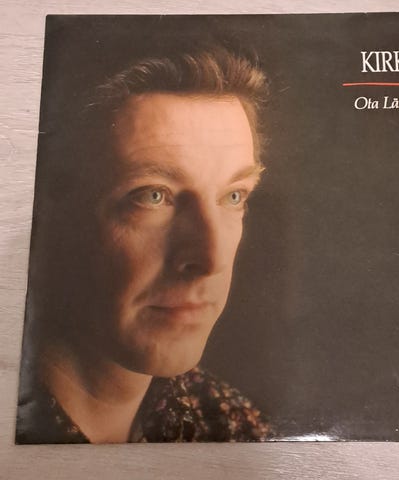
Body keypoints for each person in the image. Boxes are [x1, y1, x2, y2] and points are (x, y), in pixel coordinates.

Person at [16, 34, 272, 443]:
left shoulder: (233, 427)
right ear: (50, 212)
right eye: (152, 196)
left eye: (233, 196)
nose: (210, 259)